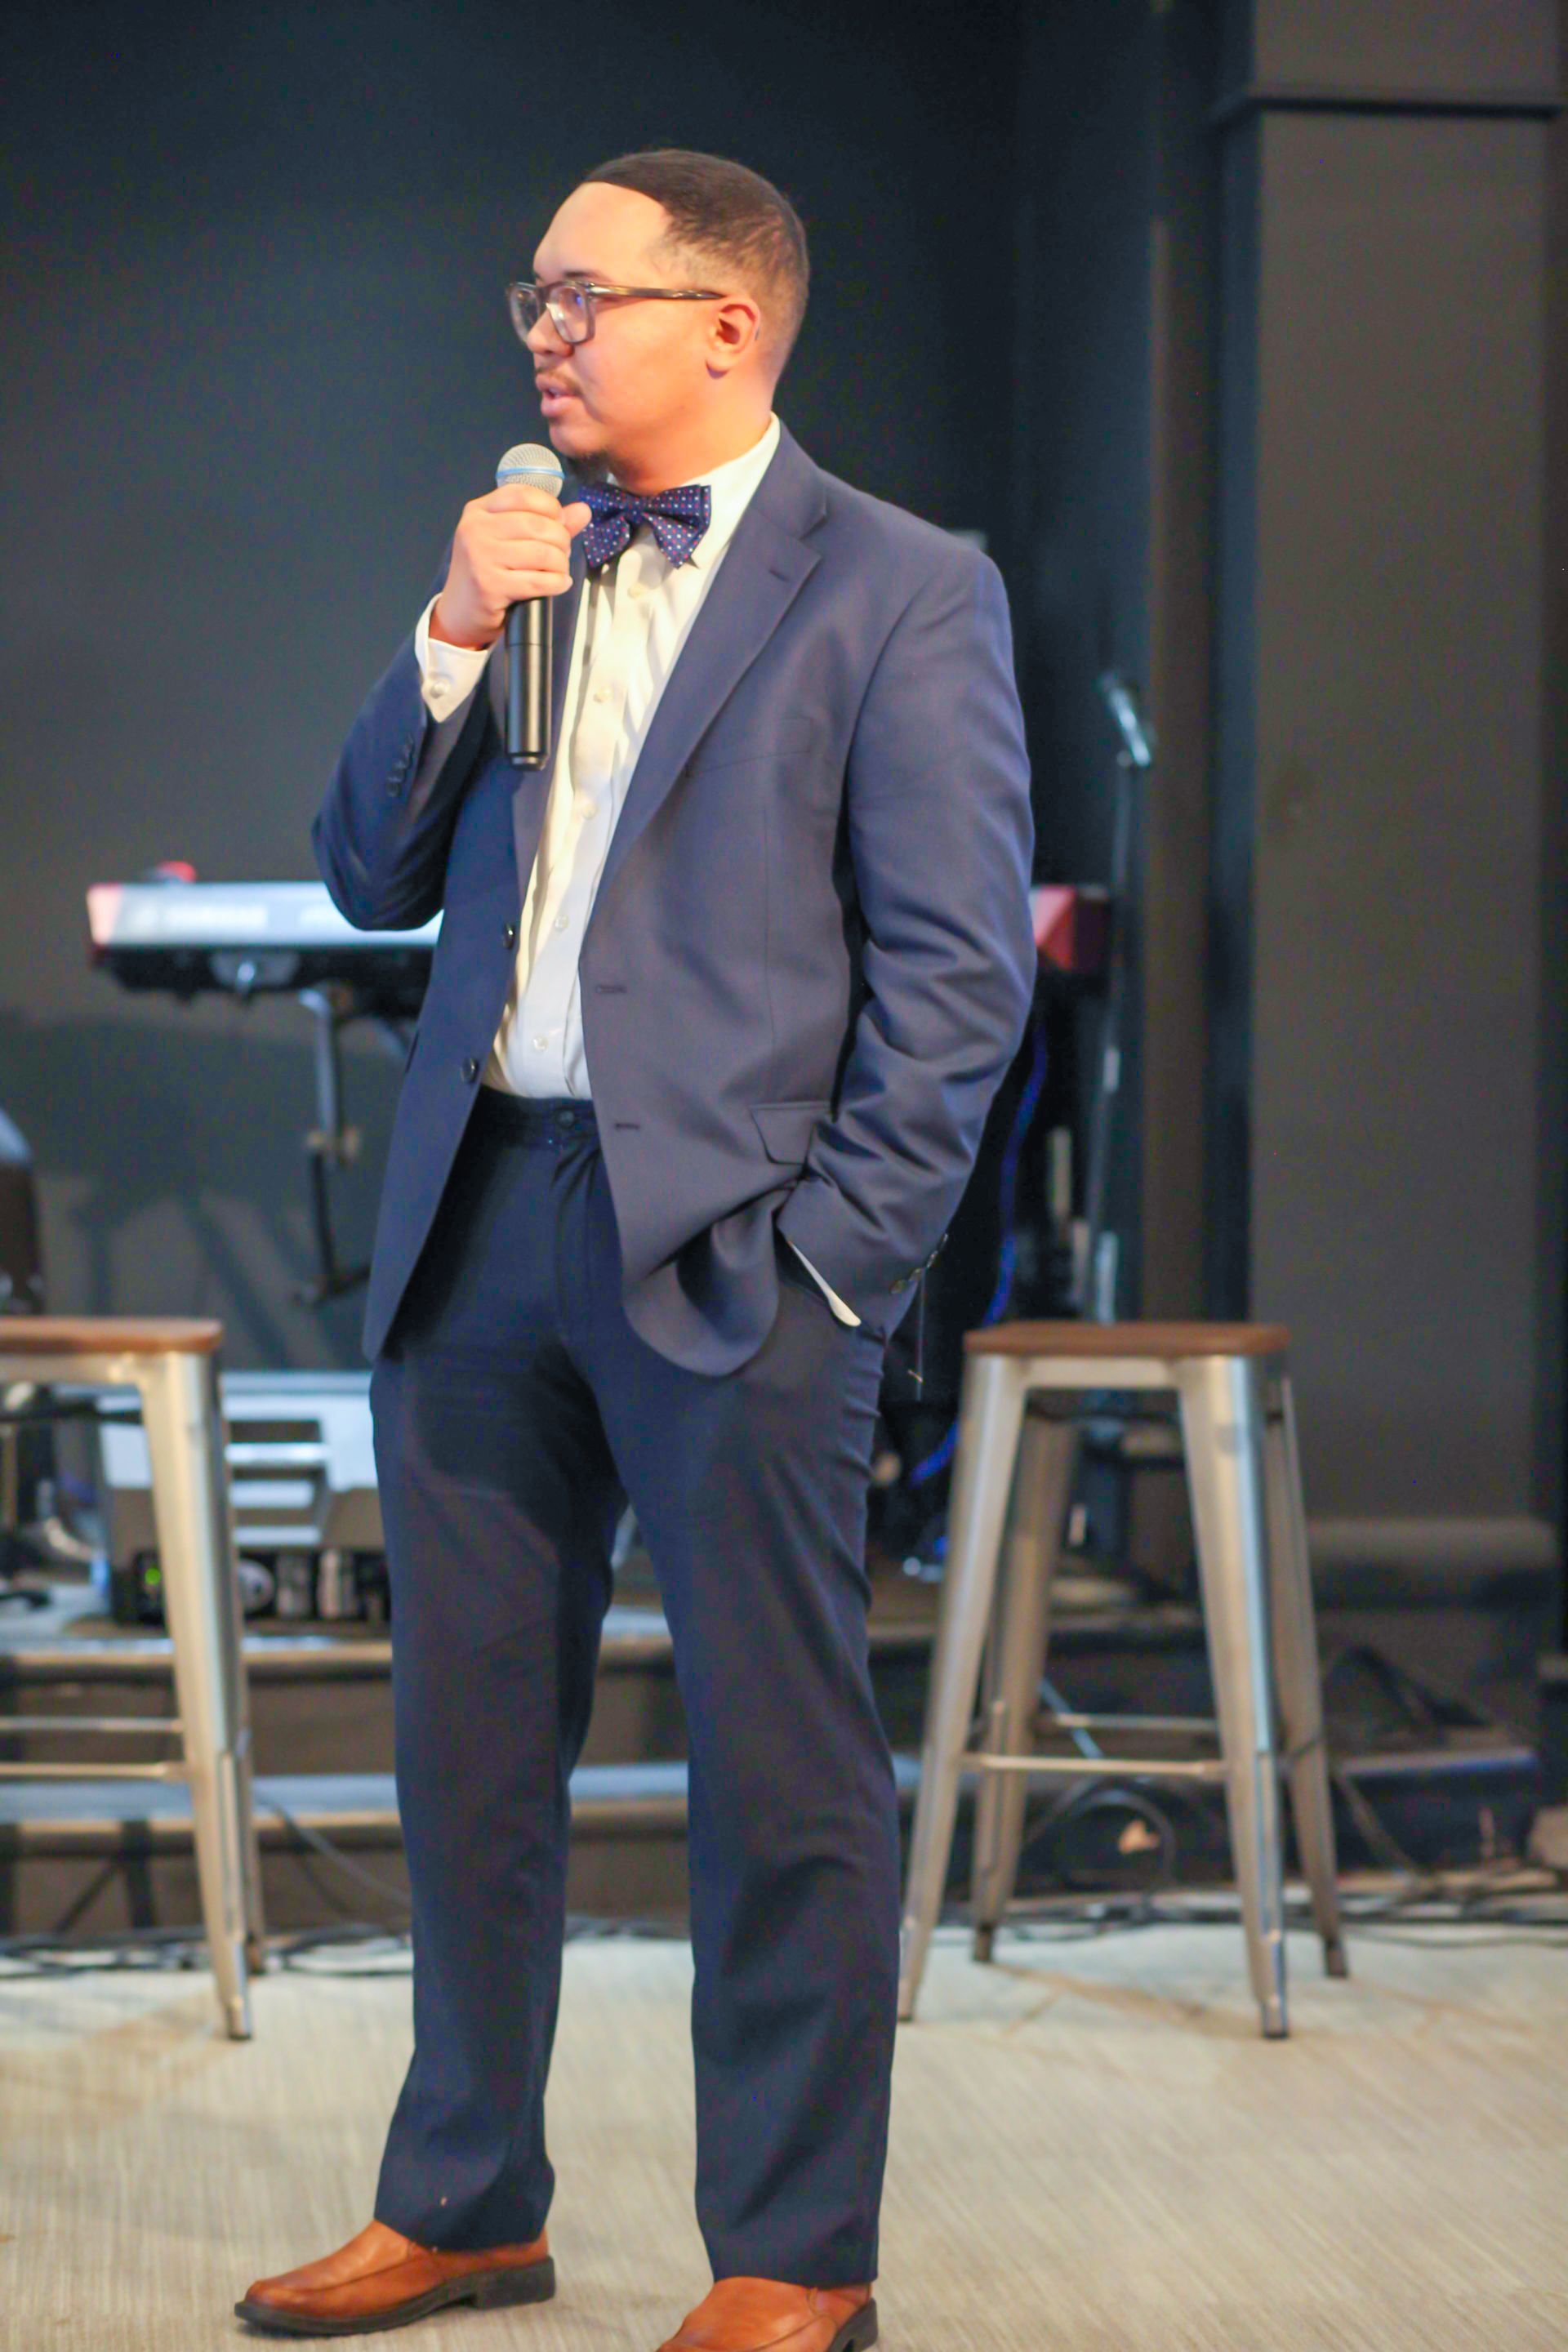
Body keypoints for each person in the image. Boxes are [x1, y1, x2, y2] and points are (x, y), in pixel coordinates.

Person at [238, 147, 1036, 2350]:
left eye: (585, 297)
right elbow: (367, 876)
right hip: (481, 1214)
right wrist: (449, 630)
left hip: (739, 1250)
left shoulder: (900, 588)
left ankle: (793, 2256)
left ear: (730, 324)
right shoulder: (530, 557)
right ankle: (463, 2200)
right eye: (535, 299)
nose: (547, 334)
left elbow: (960, 977)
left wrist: (843, 1263)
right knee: (468, 1756)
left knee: (778, 1773)